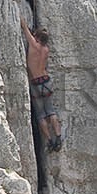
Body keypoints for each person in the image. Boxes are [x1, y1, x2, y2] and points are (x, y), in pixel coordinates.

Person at [20, 15, 62, 153]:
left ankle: (49, 141)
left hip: (35, 83)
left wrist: (21, 19)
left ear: (37, 38)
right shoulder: (46, 49)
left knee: (40, 115)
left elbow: (25, 29)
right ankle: (58, 138)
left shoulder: (34, 45)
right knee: (51, 111)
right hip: (46, 81)